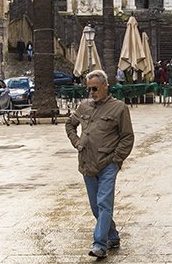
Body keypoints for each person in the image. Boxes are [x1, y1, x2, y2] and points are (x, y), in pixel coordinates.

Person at [65, 70, 134, 260]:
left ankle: (99, 244)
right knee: (96, 207)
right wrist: (76, 141)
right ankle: (112, 236)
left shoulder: (119, 108)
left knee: (104, 202)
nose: (92, 92)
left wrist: (116, 159)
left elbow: (127, 137)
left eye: (95, 88)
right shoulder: (84, 106)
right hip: (87, 163)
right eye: (89, 89)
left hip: (107, 164)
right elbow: (69, 124)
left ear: (105, 86)